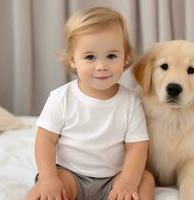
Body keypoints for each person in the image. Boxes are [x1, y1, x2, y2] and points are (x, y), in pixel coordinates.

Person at [27, 6, 155, 200]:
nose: (102, 66)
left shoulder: (130, 102)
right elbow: (45, 140)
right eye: (90, 57)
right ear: (72, 60)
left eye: (111, 56)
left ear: (126, 57)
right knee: (39, 194)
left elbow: (137, 147)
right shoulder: (61, 98)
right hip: (70, 174)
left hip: (114, 178)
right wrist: (48, 178)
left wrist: (127, 181)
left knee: (145, 179)